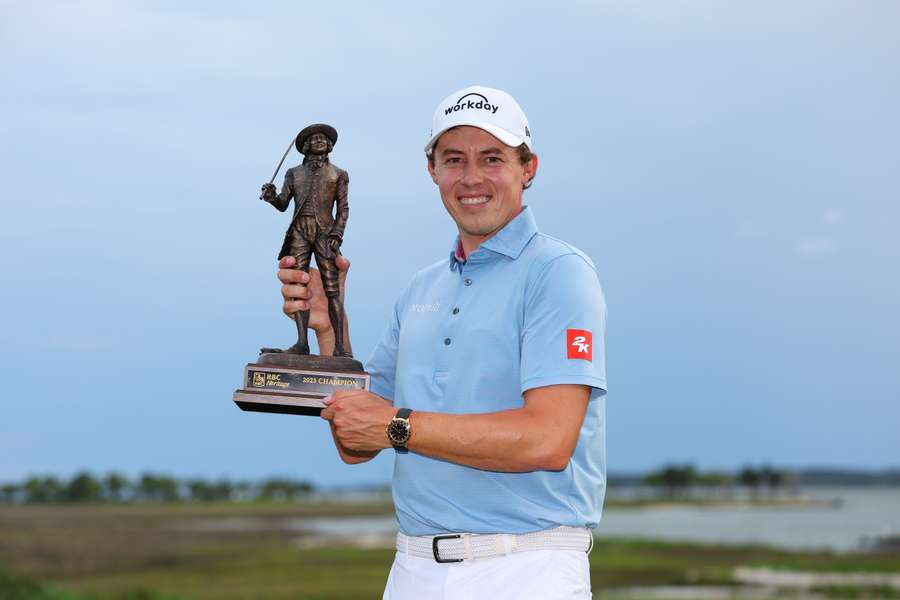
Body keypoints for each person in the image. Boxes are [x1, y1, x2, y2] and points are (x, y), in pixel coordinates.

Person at [278, 86, 607, 599]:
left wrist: (396, 426)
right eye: (454, 160)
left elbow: (549, 439)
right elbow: (355, 443)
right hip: (413, 568)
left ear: (529, 167)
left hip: (526, 567)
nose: (471, 178)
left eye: (492, 158)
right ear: (432, 170)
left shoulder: (559, 273)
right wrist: (326, 329)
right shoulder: (421, 289)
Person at [262, 123, 351, 357]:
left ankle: (340, 348)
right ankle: (302, 342)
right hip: (300, 230)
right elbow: (283, 203)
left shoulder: (339, 174)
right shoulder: (293, 173)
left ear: (330, 145)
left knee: (331, 289)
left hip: (325, 232)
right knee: (298, 288)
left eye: (323, 139)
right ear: (305, 147)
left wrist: (337, 234)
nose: (319, 141)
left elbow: (343, 209)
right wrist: (272, 197)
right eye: (314, 139)